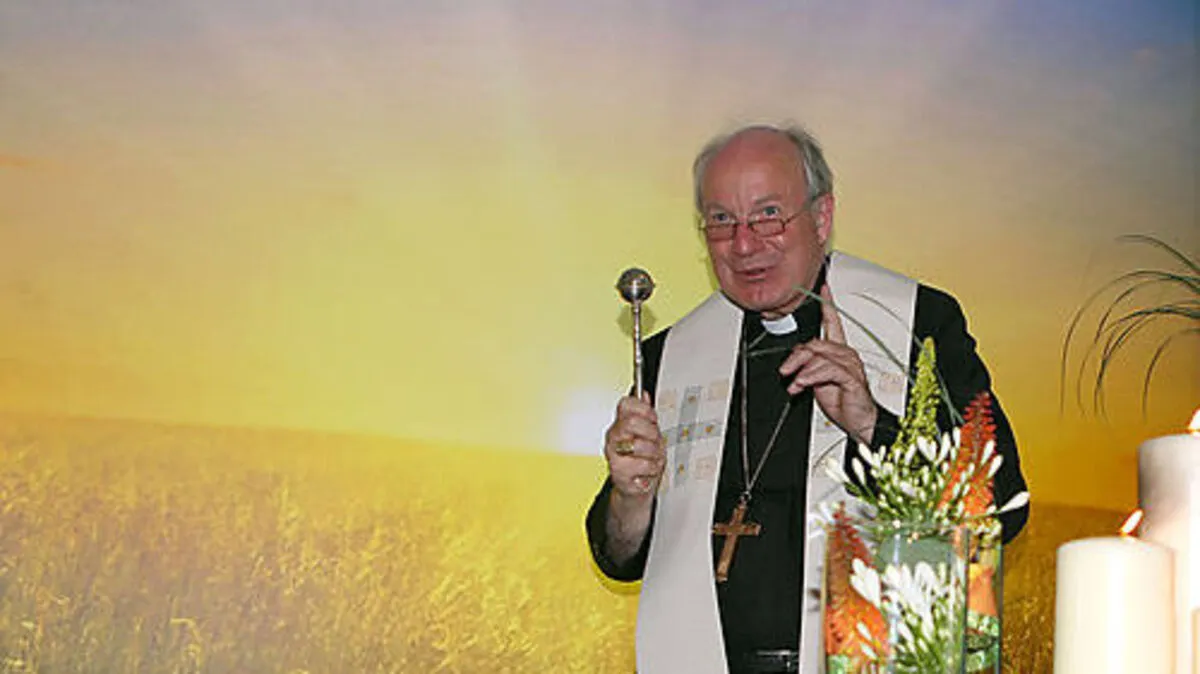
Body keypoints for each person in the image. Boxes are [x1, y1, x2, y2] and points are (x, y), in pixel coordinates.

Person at [584, 123, 1029, 674]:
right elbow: (620, 557)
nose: (744, 244)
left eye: (768, 215)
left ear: (821, 217)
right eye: (721, 220)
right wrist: (631, 495)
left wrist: (870, 424)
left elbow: (1003, 508)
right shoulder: (670, 356)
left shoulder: (918, 324)